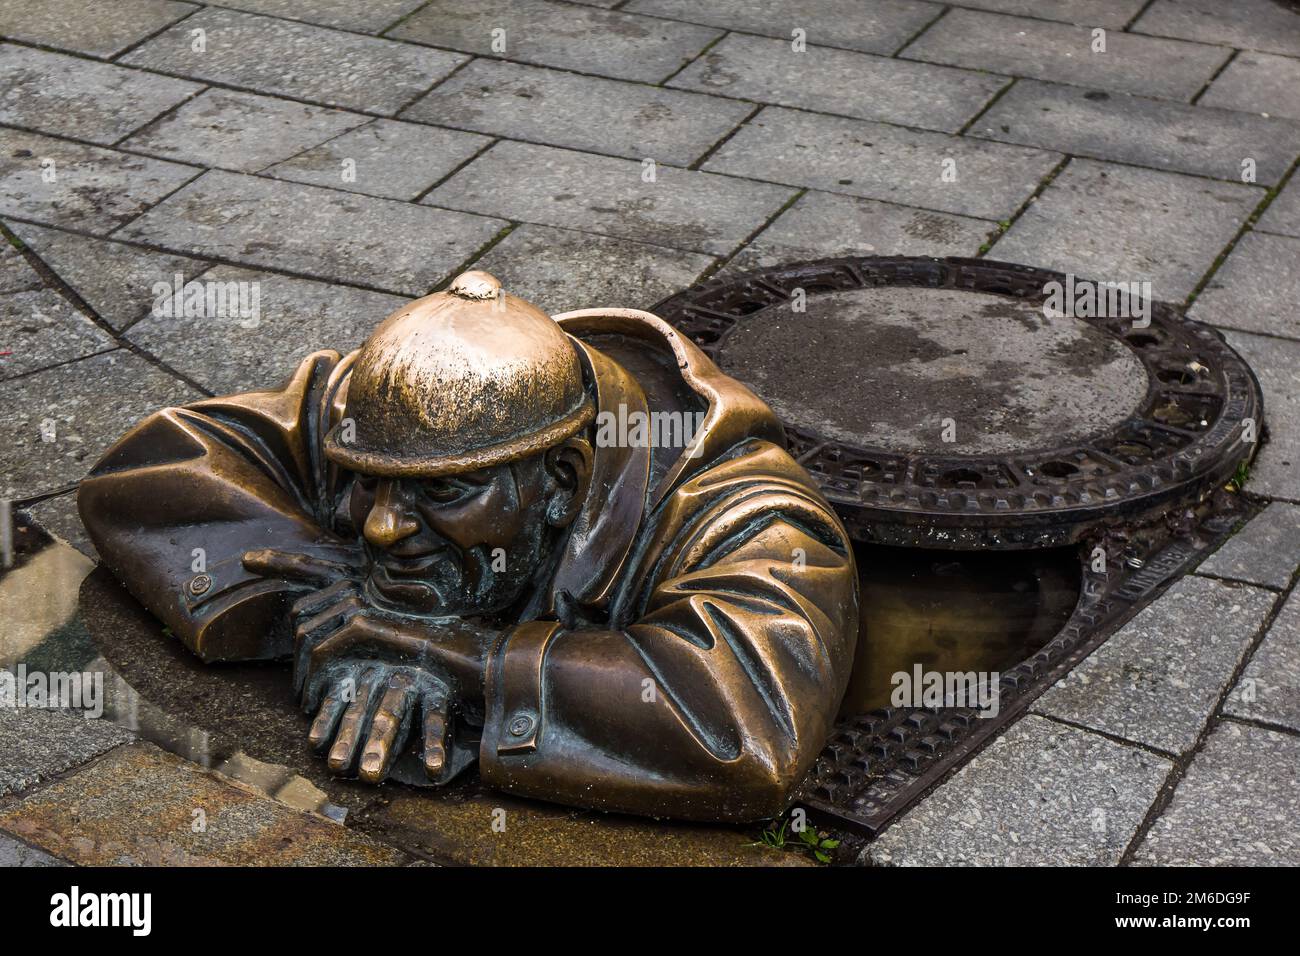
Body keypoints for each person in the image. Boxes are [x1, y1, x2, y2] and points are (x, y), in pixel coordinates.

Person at [80, 271, 858, 821]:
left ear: (562, 478)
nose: (382, 526)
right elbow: (155, 467)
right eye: (366, 484)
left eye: (443, 494)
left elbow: (747, 728)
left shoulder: (748, 517)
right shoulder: (389, 419)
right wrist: (317, 601)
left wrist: (455, 656)